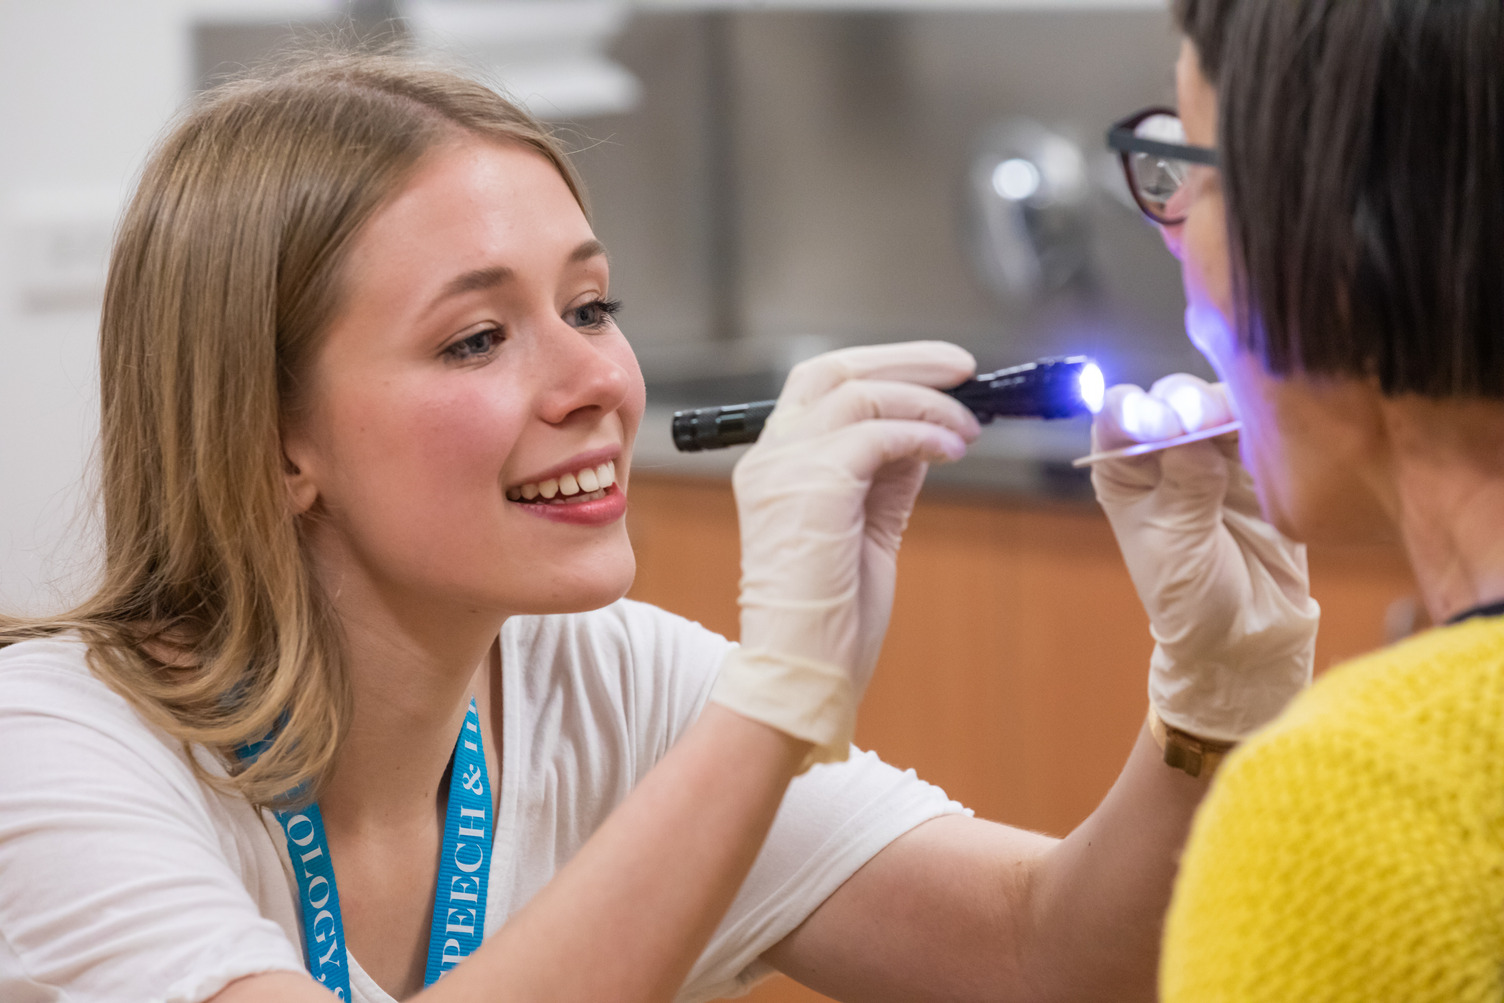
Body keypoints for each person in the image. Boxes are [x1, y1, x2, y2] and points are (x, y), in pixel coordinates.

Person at [0, 52, 1314, 1003]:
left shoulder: (610, 683)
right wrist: (767, 710)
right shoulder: (51, 749)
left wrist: (1209, 715)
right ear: (272, 436)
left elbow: (1045, 956)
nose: (594, 384)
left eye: (590, 307)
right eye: (475, 337)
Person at [1096, 0, 1504, 998]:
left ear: (1332, 233)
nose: (1173, 242)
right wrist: (1215, 702)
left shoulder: (1359, 806)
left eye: (1191, 170)